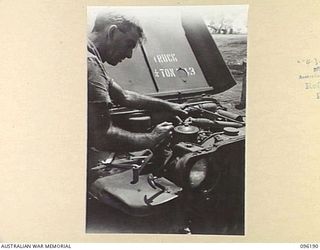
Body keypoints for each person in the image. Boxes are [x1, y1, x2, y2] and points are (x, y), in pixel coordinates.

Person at [87, 12, 187, 152]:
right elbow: (102, 136)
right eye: (129, 45)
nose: (129, 55)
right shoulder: (90, 64)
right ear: (112, 32)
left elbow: (124, 96)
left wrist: (171, 106)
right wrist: (152, 138)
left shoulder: (88, 55)